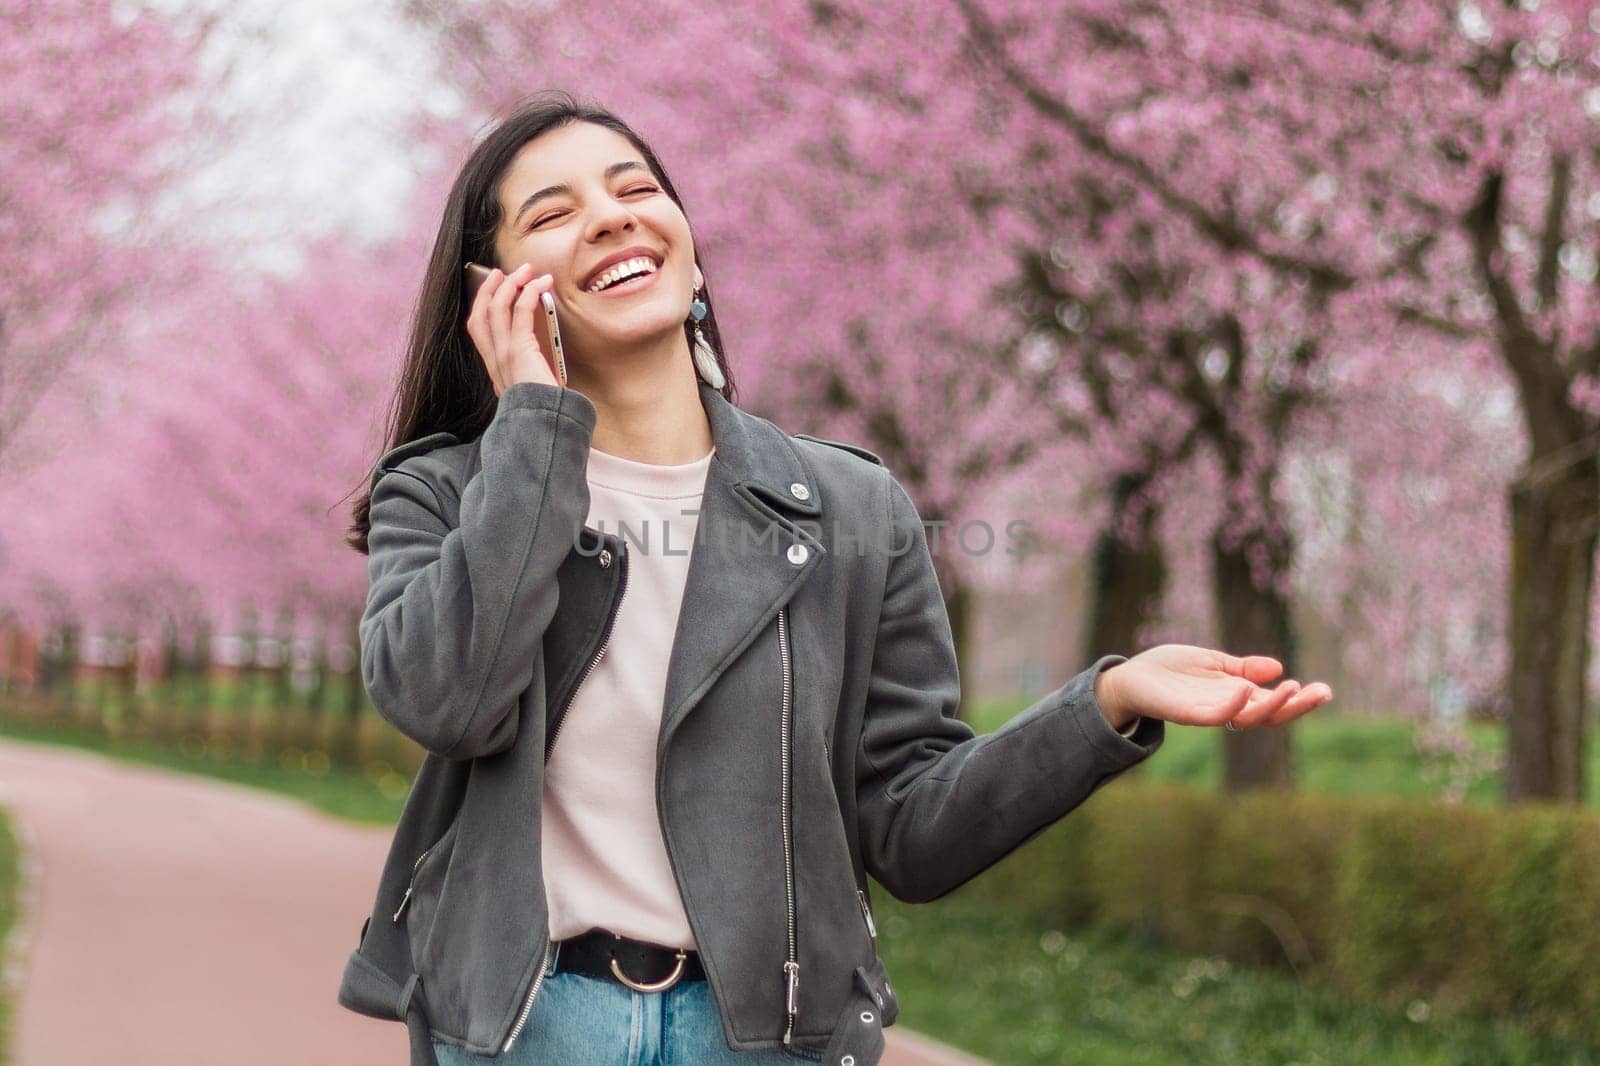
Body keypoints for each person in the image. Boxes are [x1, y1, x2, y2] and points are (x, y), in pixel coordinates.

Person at [336, 91, 1334, 1066]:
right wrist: (534, 440)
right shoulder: (443, 492)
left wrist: (1104, 702)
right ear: (495, 289)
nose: (609, 218)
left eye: (633, 187)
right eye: (552, 213)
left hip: (769, 1038)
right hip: (523, 1027)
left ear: (685, 241)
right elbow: (446, 698)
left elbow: (910, 830)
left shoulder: (851, 509)